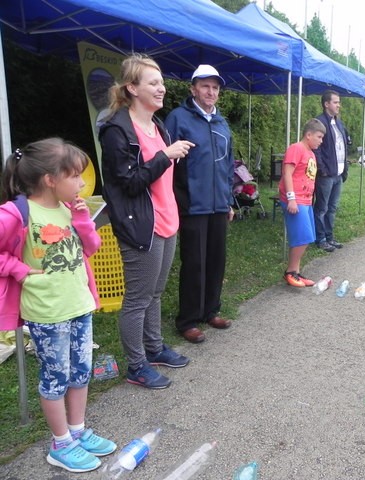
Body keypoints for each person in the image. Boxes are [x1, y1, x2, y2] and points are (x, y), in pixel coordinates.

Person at [0, 138, 117, 473]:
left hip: (79, 304)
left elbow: (91, 247)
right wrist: (20, 270)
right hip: (47, 312)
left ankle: (77, 432)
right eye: (75, 176)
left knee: (80, 372)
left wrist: (82, 219)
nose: (81, 183)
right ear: (50, 179)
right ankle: (60, 444)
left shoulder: (69, 209)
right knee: (56, 377)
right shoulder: (16, 213)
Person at [100, 53, 195, 388]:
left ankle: (154, 349)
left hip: (167, 219)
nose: (161, 88)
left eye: (162, 82)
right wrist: (165, 155)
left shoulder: (158, 125)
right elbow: (129, 182)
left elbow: (161, 176)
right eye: (153, 83)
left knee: (155, 292)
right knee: (138, 299)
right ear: (132, 87)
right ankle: (136, 365)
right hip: (142, 224)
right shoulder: (116, 130)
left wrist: (169, 155)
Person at [164, 64, 235, 344]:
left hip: (218, 204)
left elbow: (228, 165)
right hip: (192, 204)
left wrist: (229, 201)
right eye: (205, 86)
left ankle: (210, 310)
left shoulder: (221, 123)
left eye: (215, 87)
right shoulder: (178, 119)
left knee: (216, 260)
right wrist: (174, 201)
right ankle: (188, 320)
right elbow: (166, 163)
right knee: (194, 263)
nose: (211, 91)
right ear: (193, 88)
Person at [280, 119, 326, 287]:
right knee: (303, 237)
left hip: (306, 200)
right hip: (296, 200)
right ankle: (290, 272)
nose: (321, 141)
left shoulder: (311, 153)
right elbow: (287, 174)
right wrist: (291, 198)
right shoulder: (296, 149)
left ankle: (296, 272)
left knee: (305, 236)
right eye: (319, 137)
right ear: (308, 135)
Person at [313, 90, 349, 253]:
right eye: (335, 102)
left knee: (332, 208)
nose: (338, 105)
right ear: (326, 104)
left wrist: (344, 169)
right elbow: (316, 149)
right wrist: (323, 170)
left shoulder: (338, 123)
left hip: (338, 174)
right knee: (322, 208)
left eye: (339, 102)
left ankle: (329, 237)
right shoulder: (319, 122)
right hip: (326, 175)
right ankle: (320, 239)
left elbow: (343, 147)